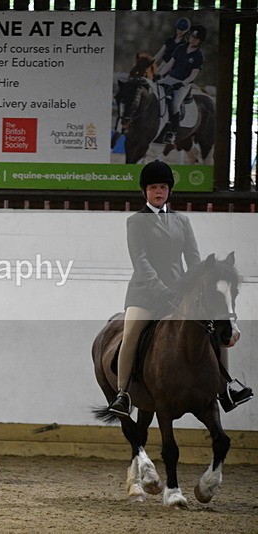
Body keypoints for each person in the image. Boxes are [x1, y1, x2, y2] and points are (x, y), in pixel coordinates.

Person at [108, 160, 252, 415]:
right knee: (131, 334)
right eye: (153, 187)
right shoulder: (136, 222)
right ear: (144, 191)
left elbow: (194, 260)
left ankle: (225, 388)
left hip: (178, 293)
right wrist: (161, 290)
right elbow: (141, 261)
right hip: (145, 293)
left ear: (169, 190)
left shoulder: (182, 221)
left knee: (213, 327)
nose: (158, 191)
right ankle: (123, 394)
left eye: (163, 187)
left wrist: (198, 286)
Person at [156, 24, 205, 145]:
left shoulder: (199, 55)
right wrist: (160, 75)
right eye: (192, 36)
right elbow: (170, 64)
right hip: (170, 78)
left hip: (183, 84)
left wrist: (183, 83)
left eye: (196, 38)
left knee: (175, 104)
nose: (192, 39)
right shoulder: (181, 48)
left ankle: (172, 132)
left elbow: (193, 75)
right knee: (154, 89)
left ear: (200, 40)